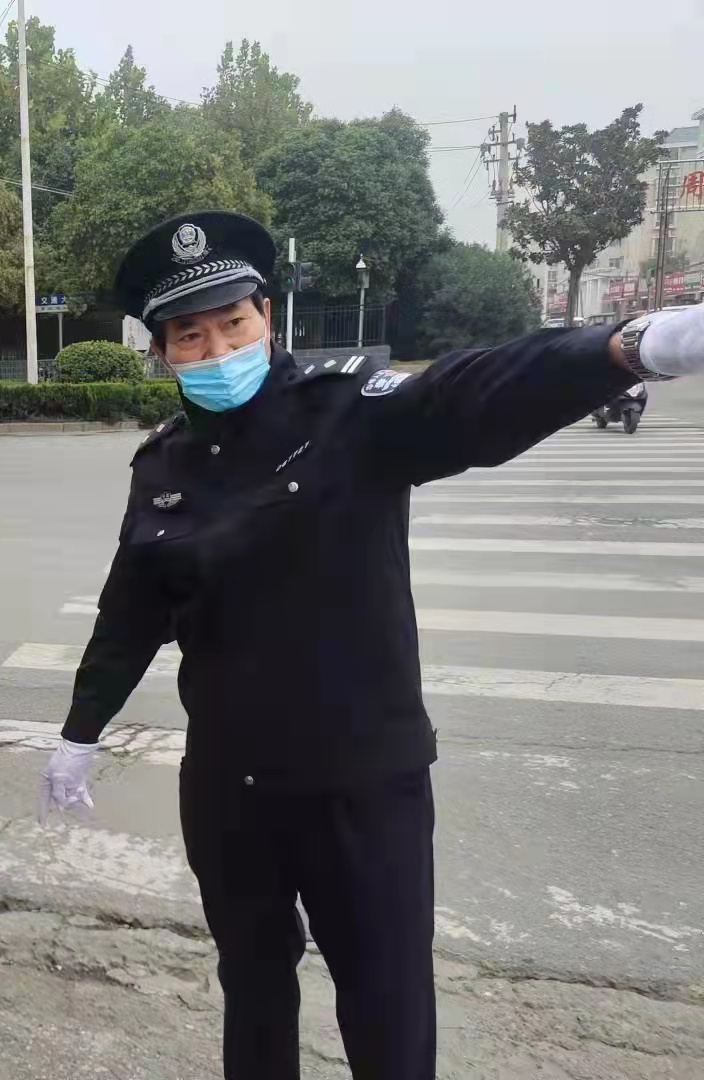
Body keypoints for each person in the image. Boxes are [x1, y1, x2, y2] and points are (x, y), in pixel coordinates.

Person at [38, 210, 704, 1079]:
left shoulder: (350, 411)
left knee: (385, 1001)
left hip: (360, 786)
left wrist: (625, 349)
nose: (216, 349)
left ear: (267, 316)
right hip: (231, 789)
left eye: (232, 324)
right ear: (163, 352)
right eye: (190, 336)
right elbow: (130, 611)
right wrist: (81, 731)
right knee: (252, 983)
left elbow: (468, 396)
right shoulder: (164, 466)